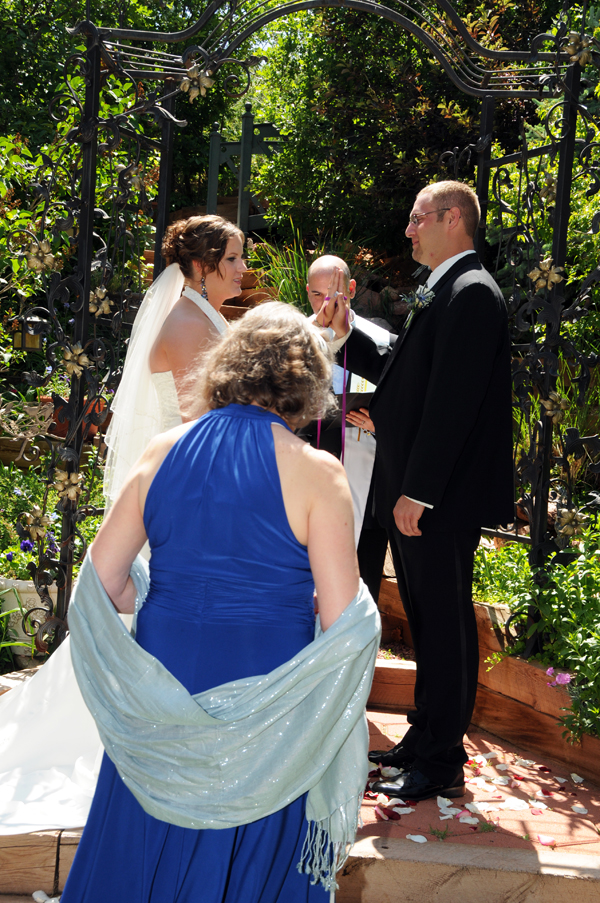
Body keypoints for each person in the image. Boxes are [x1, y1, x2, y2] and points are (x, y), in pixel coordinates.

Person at [63, 302, 380, 902]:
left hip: (166, 689)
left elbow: (101, 587)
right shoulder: (318, 472)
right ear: (307, 382)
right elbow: (344, 627)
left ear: (226, 365)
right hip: (268, 701)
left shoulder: (160, 451)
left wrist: (161, 593)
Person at [0, 215, 242, 836]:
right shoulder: (189, 324)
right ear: (203, 265)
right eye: (235, 259)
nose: (243, 270)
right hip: (183, 491)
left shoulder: (202, 314)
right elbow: (201, 423)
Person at [317, 180, 514, 801]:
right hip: (418, 489)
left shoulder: (473, 292)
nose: (408, 230)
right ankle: (425, 734)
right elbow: (411, 372)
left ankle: (440, 761)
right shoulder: (449, 288)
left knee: (446, 623)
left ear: (453, 219)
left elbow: (453, 404)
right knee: (428, 621)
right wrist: (350, 336)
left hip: (439, 498)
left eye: (417, 218)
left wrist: (420, 491)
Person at [300, 255, 393, 549]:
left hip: (364, 474)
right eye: (317, 294)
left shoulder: (381, 341)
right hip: (303, 472)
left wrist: (384, 422)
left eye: (334, 294)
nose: (326, 305)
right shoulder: (290, 338)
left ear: (351, 290)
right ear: (307, 292)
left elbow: (404, 399)